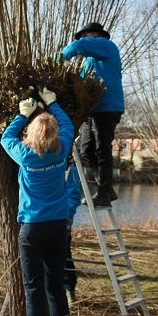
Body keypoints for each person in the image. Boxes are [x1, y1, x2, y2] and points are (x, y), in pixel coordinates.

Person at [0, 87, 77, 316]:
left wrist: (23, 115)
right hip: (58, 227)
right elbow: (68, 125)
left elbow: (5, 137)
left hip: (32, 228)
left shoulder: (25, 155)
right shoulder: (62, 149)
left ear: (32, 134)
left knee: (33, 288)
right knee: (55, 286)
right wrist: (53, 105)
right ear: (54, 133)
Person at [61, 22, 124, 206]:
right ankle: (107, 189)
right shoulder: (89, 61)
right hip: (93, 109)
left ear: (94, 35)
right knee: (86, 149)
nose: (82, 40)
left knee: (102, 148)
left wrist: (60, 58)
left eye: (85, 36)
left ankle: (103, 193)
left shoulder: (107, 46)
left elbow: (76, 46)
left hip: (108, 107)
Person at [63, 160, 83, 304]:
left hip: (63, 222)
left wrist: (66, 218)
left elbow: (74, 196)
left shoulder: (71, 170)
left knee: (65, 258)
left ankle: (70, 291)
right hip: (45, 220)